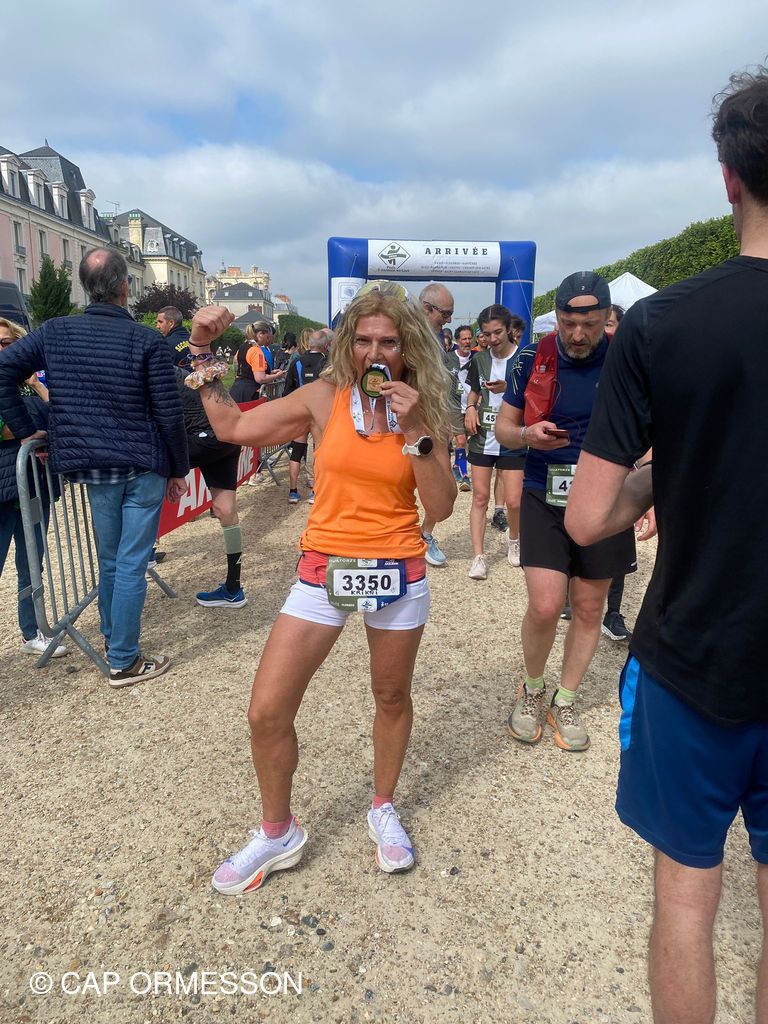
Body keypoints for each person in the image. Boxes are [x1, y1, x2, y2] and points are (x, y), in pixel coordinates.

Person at [565, 65, 768, 1024]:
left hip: (696, 655)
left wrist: (664, 475)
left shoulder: (660, 322)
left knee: (686, 902)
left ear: (728, 178)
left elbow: (588, 519)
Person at [183, 282, 456, 894]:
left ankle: (382, 805)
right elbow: (231, 425)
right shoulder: (321, 398)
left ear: (408, 346)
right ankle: (277, 831)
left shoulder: (424, 408)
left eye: (389, 341)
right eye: (363, 340)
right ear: (347, 344)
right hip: (325, 565)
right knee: (267, 708)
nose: (375, 352)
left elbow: (439, 507)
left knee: (391, 695)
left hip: (399, 568)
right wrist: (200, 348)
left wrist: (415, 428)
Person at [0, 248, 189, 686]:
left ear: (85, 287)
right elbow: (169, 412)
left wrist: (26, 429)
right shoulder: (146, 340)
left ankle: (112, 639)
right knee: (131, 562)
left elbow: (4, 369)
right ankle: (122, 658)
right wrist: (179, 467)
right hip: (142, 463)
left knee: (110, 559)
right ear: (125, 287)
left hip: (92, 464)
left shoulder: (56, 331)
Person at [495, 270, 637, 752]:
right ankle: (532, 689)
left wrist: (647, 484)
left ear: (607, 318)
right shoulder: (532, 357)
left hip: (608, 494)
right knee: (546, 603)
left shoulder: (628, 356)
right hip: (543, 489)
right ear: (556, 317)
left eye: (590, 325)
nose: (578, 335)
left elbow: (655, 426)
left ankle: (567, 698)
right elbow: (504, 429)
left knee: (591, 605)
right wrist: (527, 436)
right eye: (568, 324)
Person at [0, 317, 67, 658]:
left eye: (6, 343)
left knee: (32, 563)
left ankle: (31, 630)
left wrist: (37, 385)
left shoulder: (28, 384)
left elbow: (58, 414)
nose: (2, 349)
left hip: (33, 485)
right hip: (4, 489)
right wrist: (33, 433)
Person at [174, 366, 246, 608]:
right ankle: (233, 587)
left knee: (150, 465)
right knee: (226, 510)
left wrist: (176, 470)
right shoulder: (179, 371)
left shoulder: (157, 371)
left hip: (206, 436)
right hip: (227, 436)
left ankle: (143, 553)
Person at [464, 305, 526, 579]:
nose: (493, 339)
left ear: (509, 329)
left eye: (498, 332)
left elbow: (534, 394)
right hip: (483, 437)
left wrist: (508, 387)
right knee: (480, 497)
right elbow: (473, 391)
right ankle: (478, 557)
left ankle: (514, 539)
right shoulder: (479, 359)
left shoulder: (524, 358)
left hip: (512, 436)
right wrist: (470, 408)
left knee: (514, 501)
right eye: (487, 334)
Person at [419, 282, 455, 567]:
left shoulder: (437, 339)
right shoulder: (401, 335)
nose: (449, 320)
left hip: (434, 422)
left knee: (446, 489)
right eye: (445, 314)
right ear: (426, 308)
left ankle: (425, 533)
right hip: (402, 423)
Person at [283, 329, 330, 504]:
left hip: (299, 411)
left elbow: (287, 390)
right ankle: (314, 491)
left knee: (297, 451)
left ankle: (293, 491)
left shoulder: (297, 362)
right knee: (317, 450)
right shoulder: (327, 363)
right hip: (318, 412)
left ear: (309, 344)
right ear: (325, 345)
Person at [445, 324, 474, 491]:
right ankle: (464, 475)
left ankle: (457, 465)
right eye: (464, 339)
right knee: (461, 440)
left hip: (471, 406)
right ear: (457, 340)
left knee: (465, 442)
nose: (467, 342)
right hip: (453, 405)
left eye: (469, 338)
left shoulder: (477, 358)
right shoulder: (448, 359)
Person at [230, 321, 285, 403]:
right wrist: (277, 376)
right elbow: (260, 378)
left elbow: (241, 365)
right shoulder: (256, 351)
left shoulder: (243, 346)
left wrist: (269, 372)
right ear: (260, 334)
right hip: (250, 394)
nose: (267, 341)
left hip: (237, 389)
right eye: (267, 337)